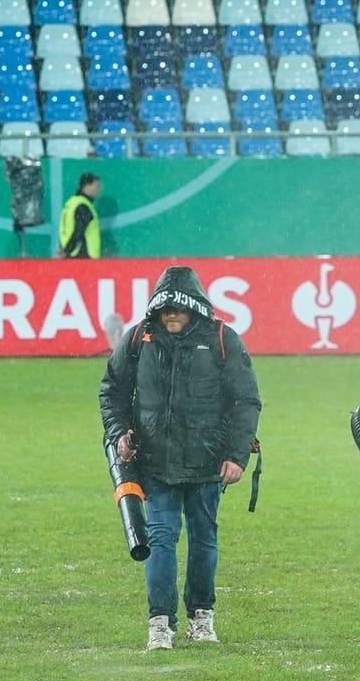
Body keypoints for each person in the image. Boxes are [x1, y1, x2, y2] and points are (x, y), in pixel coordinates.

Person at [99, 267, 262, 651]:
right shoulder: (139, 338)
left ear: (195, 309)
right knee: (159, 540)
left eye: (179, 309)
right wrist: (119, 432)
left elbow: (246, 401)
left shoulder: (223, 339)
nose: (172, 314)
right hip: (154, 463)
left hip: (207, 466)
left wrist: (237, 456)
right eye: (166, 309)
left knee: (204, 542)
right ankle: (160, 623)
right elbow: (112, 390)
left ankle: (201, 616)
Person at [58, 170, 103, 258]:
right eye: (97, 186)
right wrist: (68, 249)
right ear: (87, 186)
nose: (99, 190)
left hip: (71, 254)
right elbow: (78, 230)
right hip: (83, 256)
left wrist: (66, 250)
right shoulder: (83, 206)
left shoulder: (71, 203)